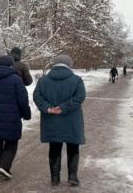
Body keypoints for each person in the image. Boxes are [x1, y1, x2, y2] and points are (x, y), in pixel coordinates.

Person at [33, 55, 86, 187]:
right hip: (72, 121)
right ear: (69, 65)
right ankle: (72, 176)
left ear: (54, 64)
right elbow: (80, 97)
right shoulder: (77, 80)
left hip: (51, 120)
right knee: (73, 147)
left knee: (54, 148)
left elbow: (37, 96)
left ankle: (55, 178)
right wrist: (63, 108)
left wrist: (49, 108)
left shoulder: (43, 80)